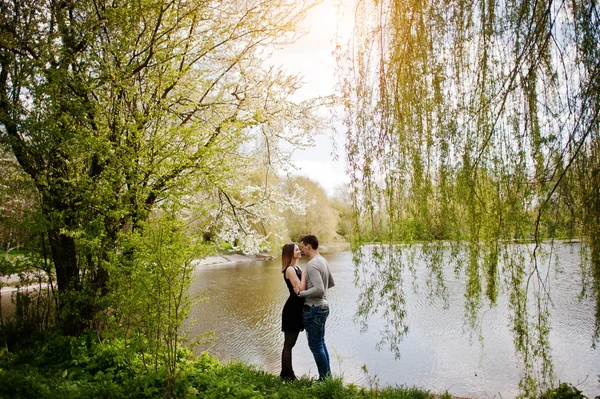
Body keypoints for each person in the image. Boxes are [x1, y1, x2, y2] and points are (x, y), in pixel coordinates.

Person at [296, 234, 335, 381]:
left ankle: (324, 380)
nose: (302, 250)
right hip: (323, 306)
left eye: (302, 247)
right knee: (321, 343)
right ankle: (327, 378)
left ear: (308, 246)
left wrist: (302, 293)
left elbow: (320, 289)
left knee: (316, 346)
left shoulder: (312, 264)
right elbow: (329, 283)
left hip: (314, 308)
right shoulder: (323, 260)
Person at [280, 242, 306, 380]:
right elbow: (299, 291)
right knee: (289, 344)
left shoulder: (297, 267)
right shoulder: (290, 269)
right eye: (297, 250)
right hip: (292, 310)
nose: (299, 251)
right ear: (291, 253)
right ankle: (287, 375)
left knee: (290, 344)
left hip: (297, 309)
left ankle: (286, 374)